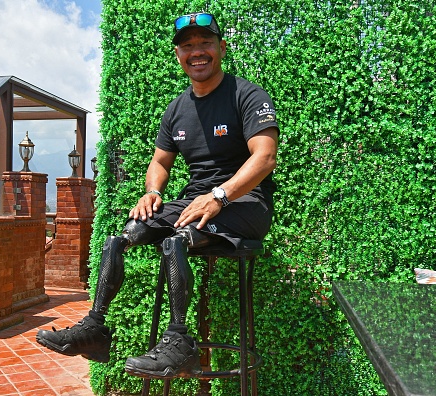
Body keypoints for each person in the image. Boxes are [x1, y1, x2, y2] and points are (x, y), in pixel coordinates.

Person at [36, 11, 279, 379]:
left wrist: (220, 196)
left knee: (178, 240)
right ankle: (96, 329)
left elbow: (265, 157)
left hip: (245, 203)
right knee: (122, 236)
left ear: (222, 49)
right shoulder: (176, 109)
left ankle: (180, 343)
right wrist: (152, 191)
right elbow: (160, 162)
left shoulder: (246, 95)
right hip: (194, 201)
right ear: (179, 55)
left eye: (205, 44)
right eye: (187, 47)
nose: (197, 52)